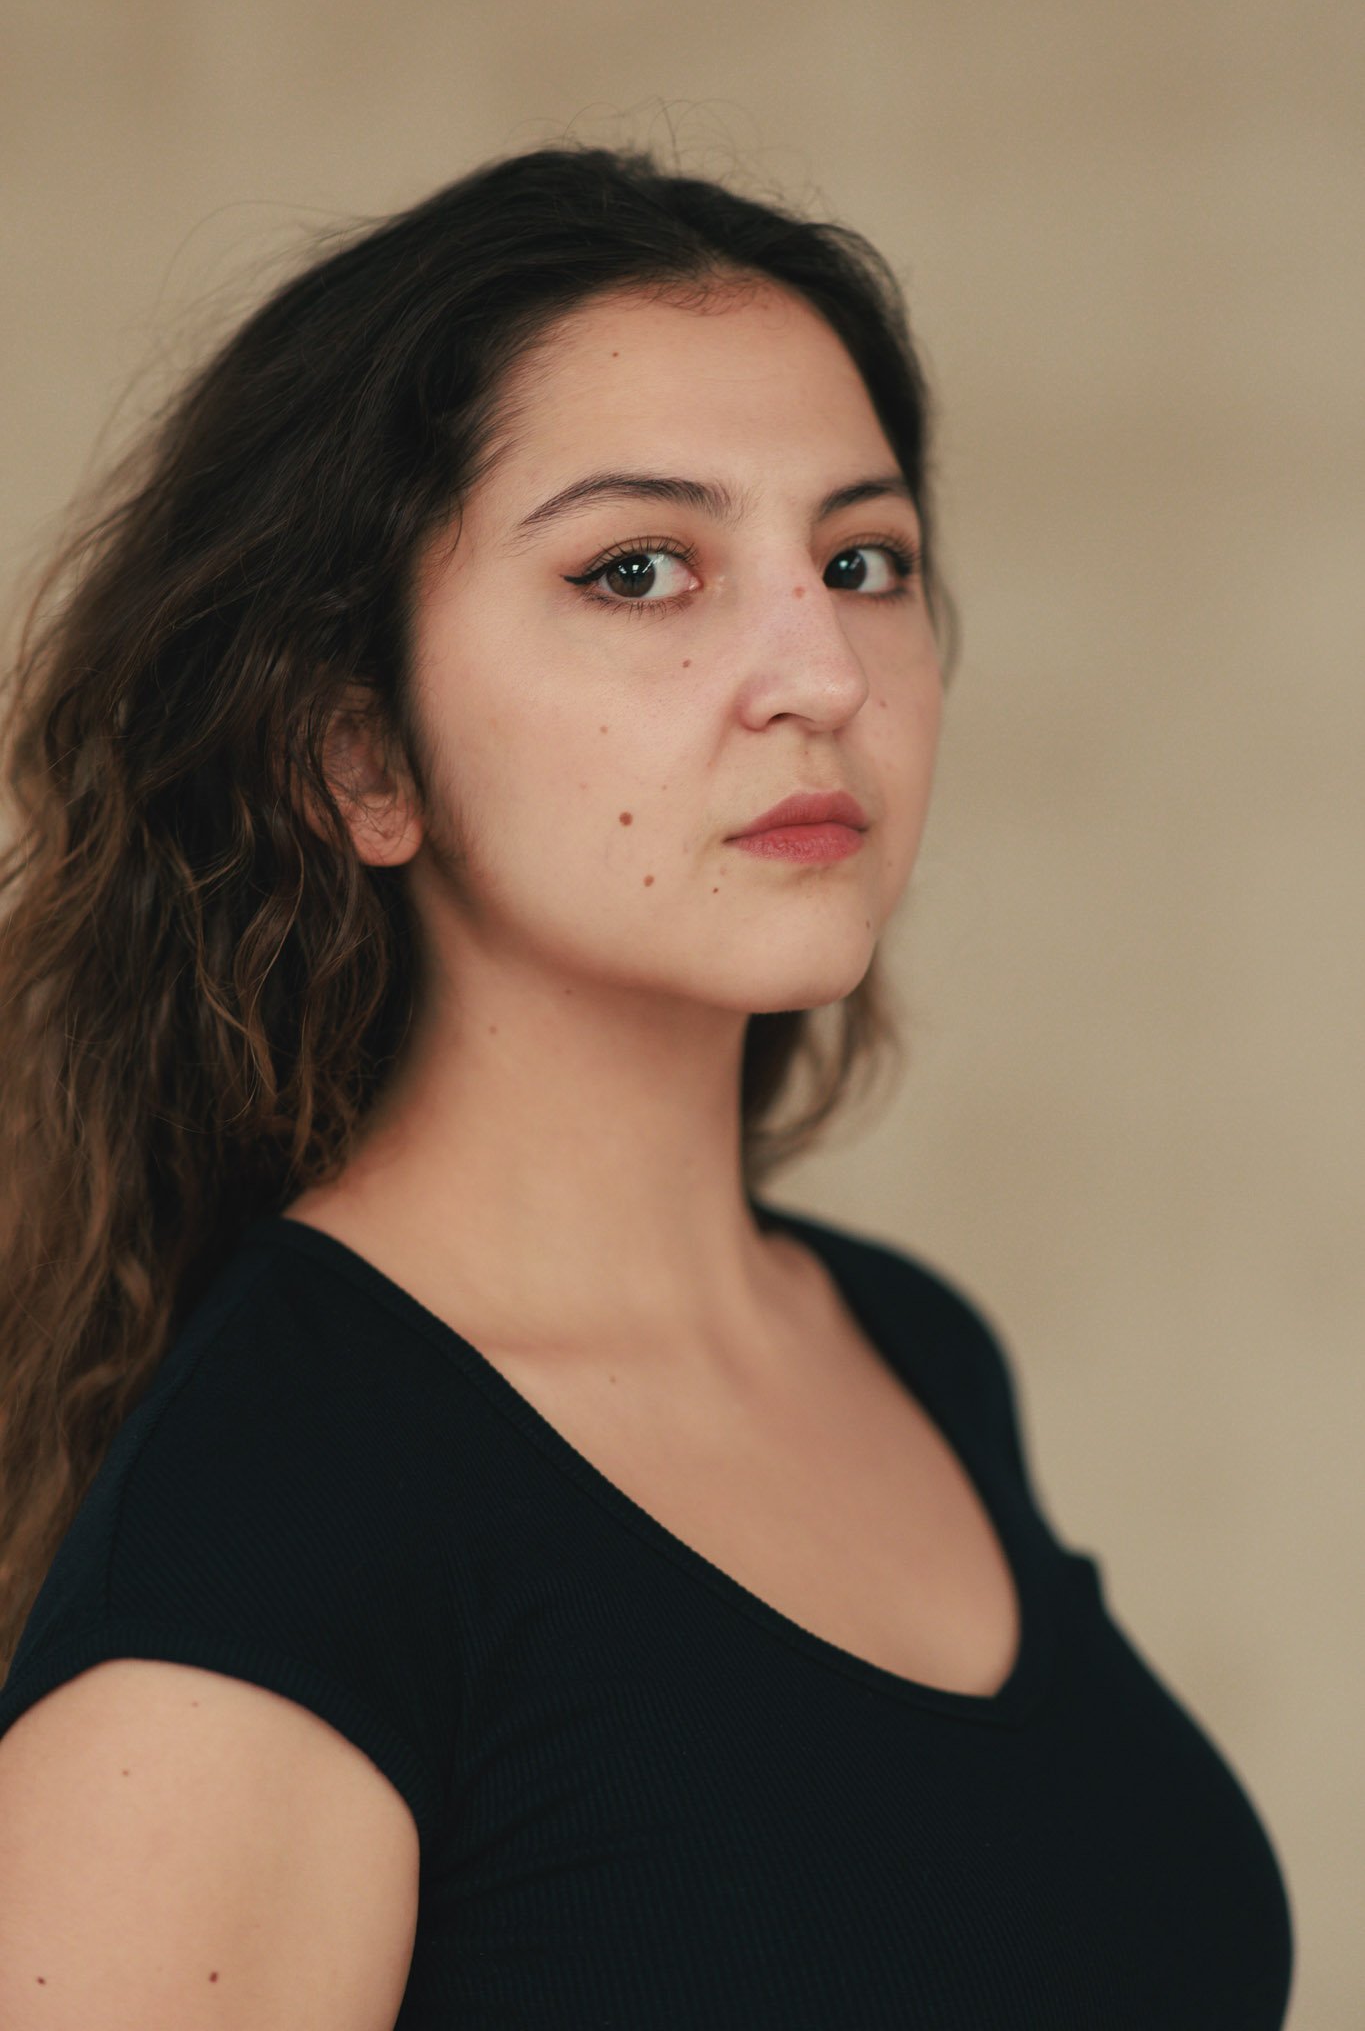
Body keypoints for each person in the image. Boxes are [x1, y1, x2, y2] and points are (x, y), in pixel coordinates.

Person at [0, 139, 1293, 2028]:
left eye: (861, 562)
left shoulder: (910, 1349)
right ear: (361, 755)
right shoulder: (279, 1521)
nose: (818, 671)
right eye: (638, 570)